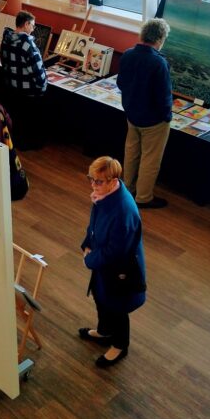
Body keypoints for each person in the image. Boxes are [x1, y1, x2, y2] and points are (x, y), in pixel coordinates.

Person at [79, 156, 146, 368]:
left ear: (113, 180)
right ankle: (105, 331)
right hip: (104, 265)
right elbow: (94, 224)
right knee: (101, 297)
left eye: (98, 181)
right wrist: (87, 242)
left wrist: (90, 259)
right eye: (91, 179)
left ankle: (119, 345)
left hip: (118, 269)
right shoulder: (104, 194)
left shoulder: (123, 210)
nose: (93, 185)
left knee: (117, 306)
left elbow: (115, 252)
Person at [117, 18, 173, 209]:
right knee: (150, 159)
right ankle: (144, 197)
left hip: (132, 114)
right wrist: (167, 116)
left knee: (131, 152)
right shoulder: (159, 63)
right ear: (160, 38)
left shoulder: (127, 55)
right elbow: (164, 97)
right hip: (153, 121)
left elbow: (120, 83)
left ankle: (127, 188)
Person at [0, 10, 47, 149]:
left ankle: (18, 142)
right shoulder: (27, 44)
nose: (33, 29)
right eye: (32, 25)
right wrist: (43, 87)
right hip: (29, 90)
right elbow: (37, 70)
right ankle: (31, 144)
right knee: (31, 120)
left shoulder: (6, 39)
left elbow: (4, 61)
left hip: (12, 88)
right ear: (26, 24)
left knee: (18, 118)